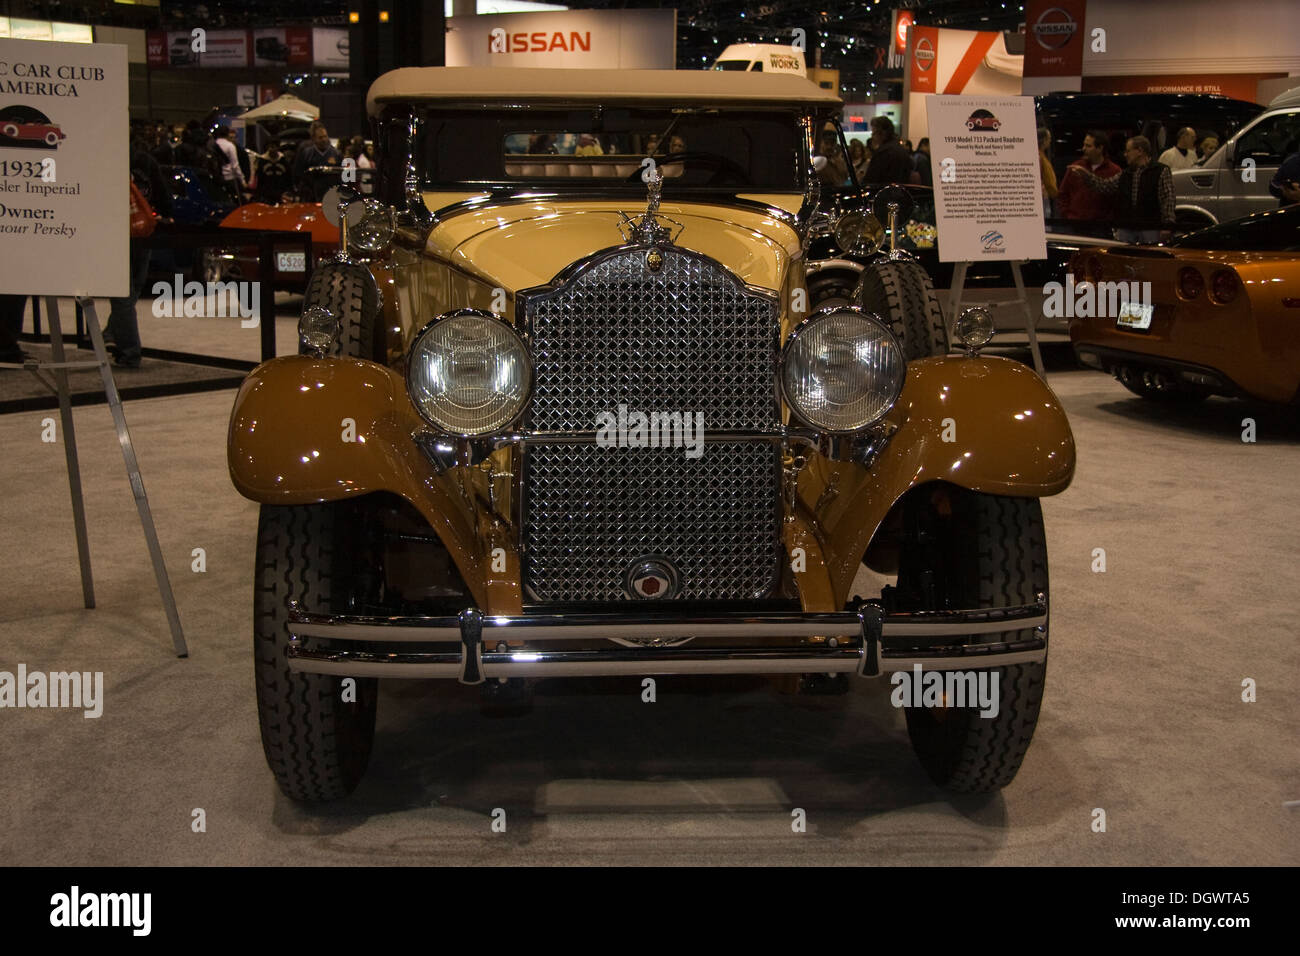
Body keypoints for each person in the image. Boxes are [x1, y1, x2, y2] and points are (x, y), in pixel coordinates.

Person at [106, 133, 175, 369]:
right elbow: (163, 195)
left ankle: (128, 349)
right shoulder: (145, 160)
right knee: (132, 288)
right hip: (142, 232)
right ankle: (115, 334)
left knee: (123, 294)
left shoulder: (105, 161)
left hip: (114, 232)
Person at [1074, 135, 1175, 244]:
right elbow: (1104, 186)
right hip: (1126, 227)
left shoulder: (1160, 171)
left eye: (1128, 151)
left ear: (1140, 151)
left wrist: (1167, 225)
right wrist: (1086, 176)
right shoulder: (1126, 174)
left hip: (1150, 227)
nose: (1125, 154)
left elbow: (1167, 199)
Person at [1056, 130, 1122, 230]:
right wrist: (1068, 215)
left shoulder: (1114, 171)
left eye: (1088, 146)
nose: (1083, 149)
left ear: (1100, 148)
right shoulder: (1075, 168)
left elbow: (1117, 200)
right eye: (1084, 145)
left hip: (1102, 227)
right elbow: (1063, 194)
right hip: (1076, 225)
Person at [292, 121, 341, 192]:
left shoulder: (336, 154)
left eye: (325, 136)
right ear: (313, 138)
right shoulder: (306, 154)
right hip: (311, 195)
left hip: (331, 194)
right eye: (320, 137)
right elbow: (298, 174)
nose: (324, 140)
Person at [865, 116, 914, 185]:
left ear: (882, 133)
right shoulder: (902, 150)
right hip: (901, 192)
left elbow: (871, 180)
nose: (872, 137)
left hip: (884, 192)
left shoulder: (882, 153)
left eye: (874, 133)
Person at [213, 125, 246, 203]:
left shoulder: (212, 145)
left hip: (216, 177)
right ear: (227, 134)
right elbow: (235, 165)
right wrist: (242, 180)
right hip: (230, 177)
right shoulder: (230, 146)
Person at [1039, 127, 1058, 219]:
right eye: (1049, 138)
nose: (1050, 141)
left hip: (1045, 195)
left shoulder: (1042, 155)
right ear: (1043, 140)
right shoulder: (1039, 156)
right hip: (1042, 195)